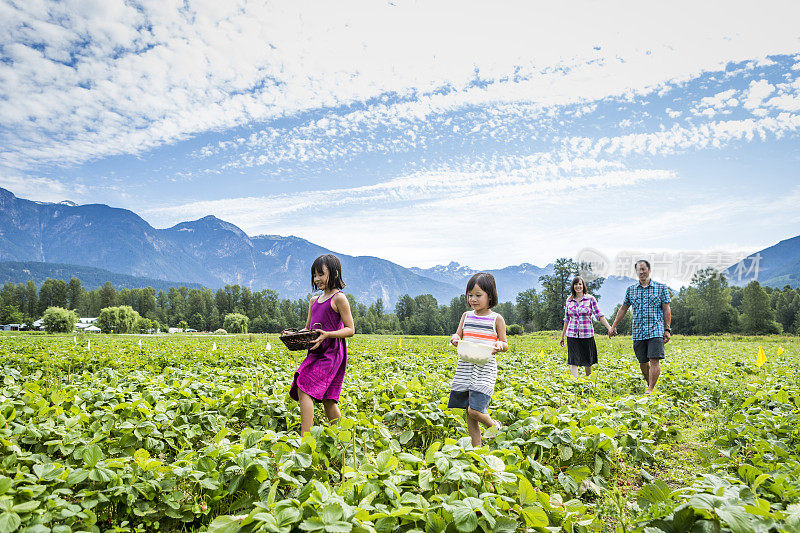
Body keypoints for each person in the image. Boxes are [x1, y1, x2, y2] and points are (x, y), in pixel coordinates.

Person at [289, 254, 355, 434]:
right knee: (328, 399)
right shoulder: (313, 301)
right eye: (314, 275)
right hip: (315, 350)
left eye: (321, 274)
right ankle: (342, 438)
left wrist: (328, 335)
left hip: (332, 353)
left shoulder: (339, 299)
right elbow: (309, 328)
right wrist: (295, 334)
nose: (317, 279)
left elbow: (350, 329)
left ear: (334, 274)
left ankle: (305, 437)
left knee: (303, 386)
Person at [449, 272, 508, 447]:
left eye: (478, 295)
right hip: (466, 367)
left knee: (474, 409)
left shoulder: (496, 319)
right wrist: (454, 339)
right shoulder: (466, 316)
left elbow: (504, 343)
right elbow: (457, 335)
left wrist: (499, 346)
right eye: (470, 295)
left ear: (490, 296)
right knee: (469, 414)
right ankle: (477, 449)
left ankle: (494, 426)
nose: (473, 299)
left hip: (485, 369)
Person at [609, 260, 671, 394]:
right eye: (639, 270)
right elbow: (623, 309)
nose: (641, 272)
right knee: (643, 362)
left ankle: (650, 389)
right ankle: (651, 384)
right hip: (638, 331)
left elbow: (666, 309)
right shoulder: (631, 290)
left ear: (649, 270)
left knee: (654, 361)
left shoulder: (661, 288)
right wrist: (613, 326)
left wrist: (667, 329)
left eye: (643, 269)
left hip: (655, 330)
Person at [560, 276, 612, 377]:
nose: (578, 286)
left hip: (587, 334)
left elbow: (599, 315)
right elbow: (566, 319)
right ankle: (574, 383)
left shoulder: (590, 299)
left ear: (583, 286)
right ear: (573, 286)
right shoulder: (569, 300)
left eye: (580, 284)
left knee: (588, 361)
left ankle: (589, 382)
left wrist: (609, 328)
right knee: (573, 361)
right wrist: (562, 336)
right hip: (572, 334)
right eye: (576, 284)